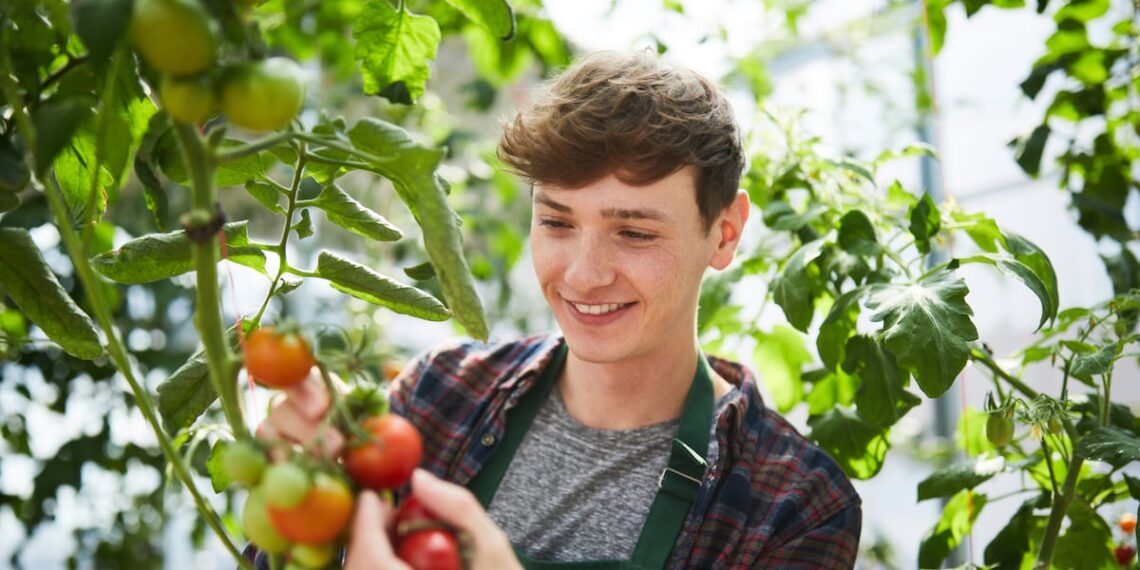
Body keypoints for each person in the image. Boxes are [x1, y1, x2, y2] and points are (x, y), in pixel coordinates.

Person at [258, 50, 862, 568]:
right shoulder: (438, 396)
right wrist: (310, 501)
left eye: (635, 233)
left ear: (724, 233)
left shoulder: (793, 505)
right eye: (556, 221)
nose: (583, 274)